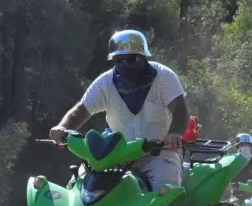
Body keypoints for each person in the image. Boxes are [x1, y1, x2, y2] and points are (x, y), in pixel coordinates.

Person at [49, 29, 189, 190]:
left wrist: (175, 134)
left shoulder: (164, 76)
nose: (124, 64)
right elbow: (81, 111)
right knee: (79, 186)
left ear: (143, 56)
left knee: (164, 190)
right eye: (118, 59)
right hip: (116, 154)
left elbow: (180, 108)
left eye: (130, 59)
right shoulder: (104, 82)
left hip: (158, 154)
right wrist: (63, 127)